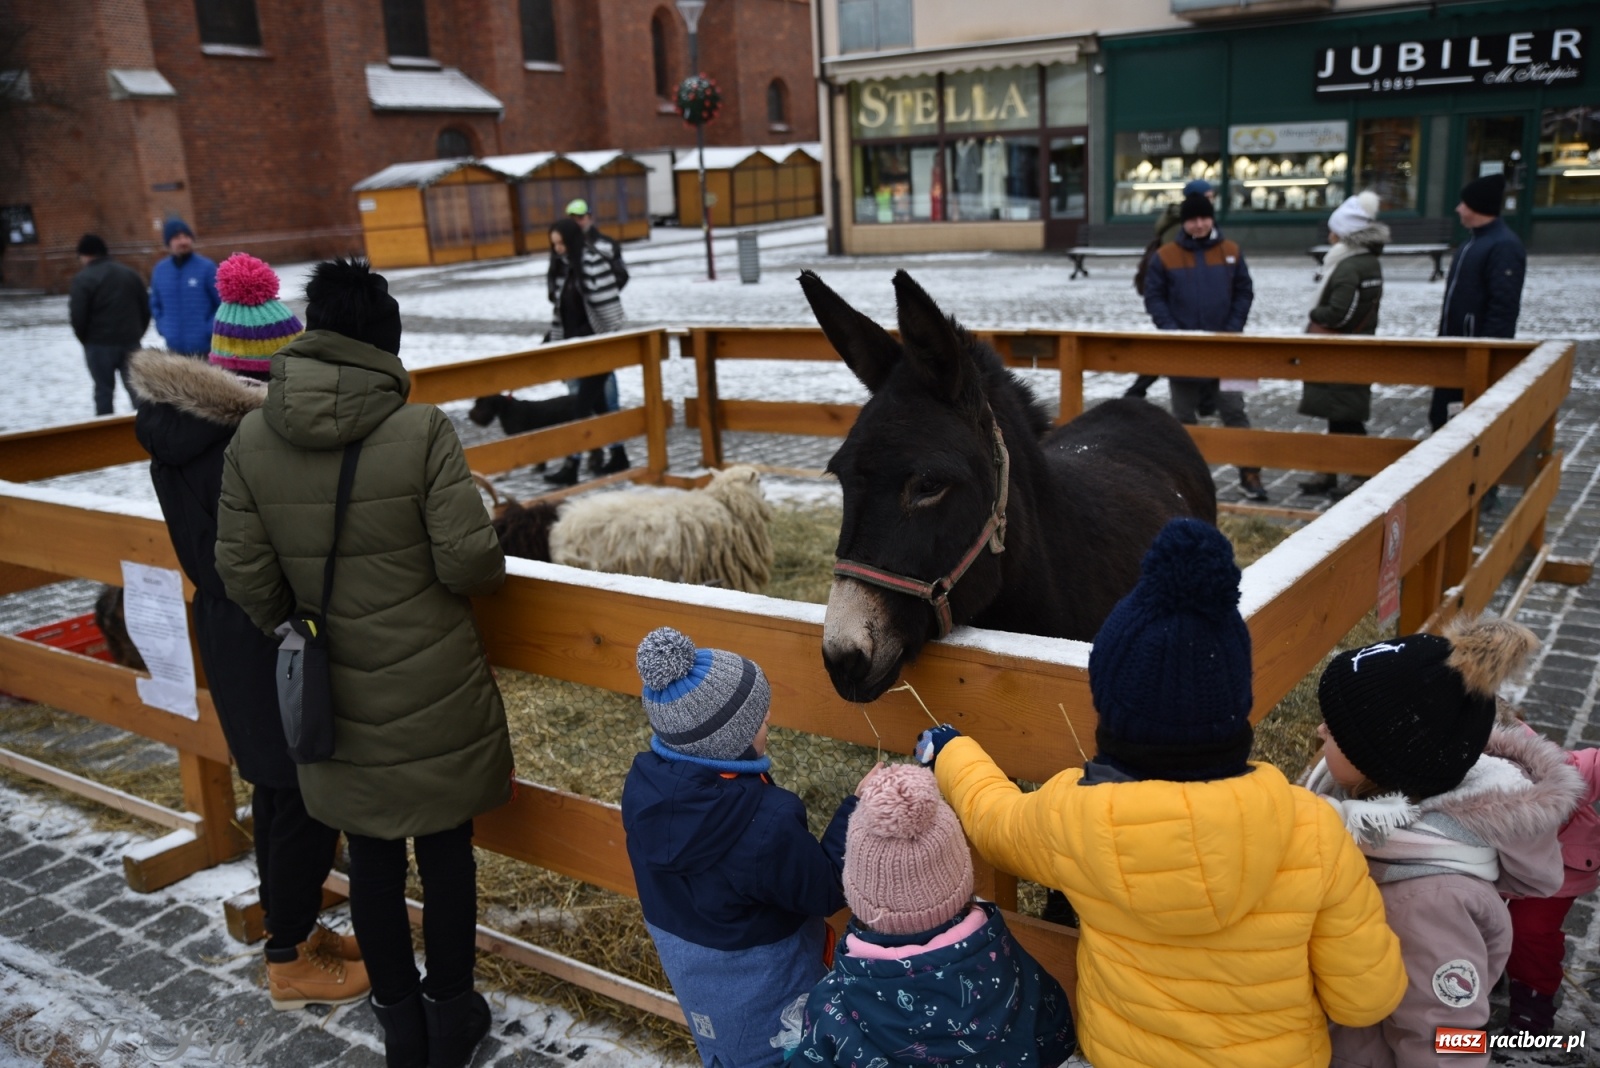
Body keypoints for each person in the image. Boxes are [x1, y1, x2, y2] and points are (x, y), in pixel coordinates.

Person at [917, 519, 1406, 1067]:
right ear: (1234, 704)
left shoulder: (1075, 816)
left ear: (1111, 709)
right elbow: (1366, 999)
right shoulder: (1313, 832)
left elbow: (995, 821)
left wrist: (951, 753)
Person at [215, 258, 512, 1068]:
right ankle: (453, 1012)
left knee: (373, 857)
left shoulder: (251, 437)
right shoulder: (421, 430)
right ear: (386, 342)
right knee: (446, 850)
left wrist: (297, 622)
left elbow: (240, 569)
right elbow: (470, 566)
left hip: (331, 691)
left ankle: (398, 1020)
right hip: (432, 682)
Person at [128, 253, 368, 1012]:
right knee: (296, 796)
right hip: (275, 632)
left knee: (278, 790)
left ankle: (294, 936)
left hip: (232, 632)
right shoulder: (251, 442)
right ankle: (290, 959)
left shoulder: (177, 432)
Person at [1305, 617, 1581, 1067]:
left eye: (1335, 731)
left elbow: (1445, 1040)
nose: (1319, 732)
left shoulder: (1429, 899)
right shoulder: (1351, 797)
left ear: (1383, 765)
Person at [621, 626, 860, 1068]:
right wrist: (859, 810)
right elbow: (828, 888)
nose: (769, 719)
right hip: (774, 992)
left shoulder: (642, 790)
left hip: (705, 996)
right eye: (759, 718)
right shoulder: (765, 821)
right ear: (728, 740)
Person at [791, 763, 1076, 1067]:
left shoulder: (833, 1008)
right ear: (961, 875)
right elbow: (1058, 1036)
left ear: (857, 890)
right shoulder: (1011, 965)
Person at [1142, 193, 1267, 501]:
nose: (1199, 224)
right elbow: (1154, 296)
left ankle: (1250, 474)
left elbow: (1244, 292)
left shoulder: (1231, 251)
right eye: (1192, 219)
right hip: (1183, 350)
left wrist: (1232, 328)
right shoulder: (1166, 255)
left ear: (1212, 219)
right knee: (1183, 419)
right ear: (1184, 223)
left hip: (1227, 349)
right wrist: (1172, 331)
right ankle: (1188, 482)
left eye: (1204, 218)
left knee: (1235, 412)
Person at [1492, 700, 1600, 1039]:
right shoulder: (1453, 761)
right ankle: (1488, 970)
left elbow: (1591, 766)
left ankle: (1533, 1004)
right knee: (1480, 917)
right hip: (1497, 861)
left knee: (1529, 932)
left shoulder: (1544, 763)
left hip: (1556, 864)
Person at [1298, 192, 1388, 500]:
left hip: (1344, 353)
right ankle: (1331, 469)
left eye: (1333, 228)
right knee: (1338, 415)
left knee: (1348, 417)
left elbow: (1339, 314)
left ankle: (1358, 471)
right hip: (1345, 353)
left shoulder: (1352, 266)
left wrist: (1314, 313)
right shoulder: (1361, 262)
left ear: (1344, 232)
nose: (1329, 233)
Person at [1431, 173, 1526, 432]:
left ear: (1477, 207)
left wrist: (1487, 354)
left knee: (1465, 427)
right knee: (1442, 417)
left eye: (1464, 203)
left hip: (1475, 354)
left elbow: (1503, 308)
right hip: (1455, 349)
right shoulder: (1472, 243)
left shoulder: (1504, 246)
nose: (1458, 209)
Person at [546, 215, 628, 485]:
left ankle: (572, 466)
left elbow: (609, 309)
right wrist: (553, 340)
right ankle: (619, 454)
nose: (557, 249)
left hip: (598, 350)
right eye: (554, 244)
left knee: (579, 408)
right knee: (601, 407)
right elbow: (562, 313)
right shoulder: (564, 269)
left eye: (560, 243)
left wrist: (609, 340)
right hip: (574, 351)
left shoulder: (593, 264)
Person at [1127, 179, 1216, 400]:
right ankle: (1139, 390)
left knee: (1178, 349)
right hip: (1176, 298)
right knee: (1172, 349)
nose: (1213, 199)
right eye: (1209, 195)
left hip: (1183, 297)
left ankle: (1204, 396)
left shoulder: (1184, 220)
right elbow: (1171, 265)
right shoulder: (1179, 226)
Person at [69, 234, 150, 415]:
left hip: (98, 345)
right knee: (138, 391)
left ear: (84, 255)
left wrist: (87, 340)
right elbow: (145, 308)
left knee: (103, 391)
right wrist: (136, 334)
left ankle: (103, 432)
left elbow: (77, 316)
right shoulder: (130, 274)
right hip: (130, 342)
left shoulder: (83, 279)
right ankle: (146, 430)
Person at [148, 219, 221, 358]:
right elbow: (155, 304)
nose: (183, 242)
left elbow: (221, 304)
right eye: (177, 238)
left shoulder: (206, 267)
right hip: (174, 349)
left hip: (205, 349)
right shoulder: (160, 270)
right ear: (168, 243)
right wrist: (163, 327)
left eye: (186, 237)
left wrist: (209, 329)